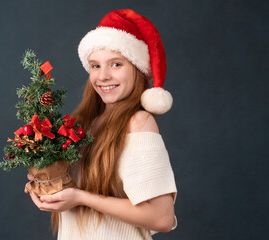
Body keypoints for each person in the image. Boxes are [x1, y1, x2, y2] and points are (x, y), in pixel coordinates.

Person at [25, 9, 177, 239]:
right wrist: (47, 182)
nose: (103, 76)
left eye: (116, 64)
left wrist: (80, 197)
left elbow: (161, 217)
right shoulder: (85, 124)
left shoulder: (138, 122)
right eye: (95, 66)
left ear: (137, 70)